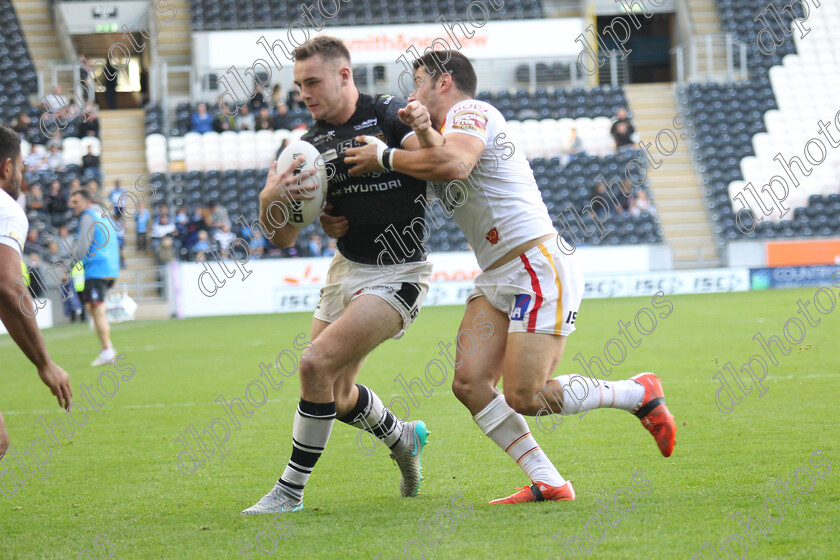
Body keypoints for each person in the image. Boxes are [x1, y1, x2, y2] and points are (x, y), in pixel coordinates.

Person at [343, 50, 676, 504]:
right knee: (469, 383)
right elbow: (421, 163)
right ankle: (549, 481)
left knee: (526, 394)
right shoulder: (436, 135)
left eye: (419, 80)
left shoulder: (472, 110)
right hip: (498, 274)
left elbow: (454, 165)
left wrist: (385, 154)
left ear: (444, 83)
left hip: (537, 264)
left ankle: (636, 392)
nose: (412, 90)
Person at [243, 36, 433, 516]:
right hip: (346, 268)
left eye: (313, 82)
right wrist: (271, 198)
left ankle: (289, 492)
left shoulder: (388, 115)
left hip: (399, 271)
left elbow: (436, 163)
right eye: (298, 84)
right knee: (337, 392)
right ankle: (402, 436)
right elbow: (281, 239)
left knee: (312, 365)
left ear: (344, 75)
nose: (304, 93)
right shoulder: (308, 148)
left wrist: (385, 156)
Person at [0, 123, 73, 461]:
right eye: (22, 166)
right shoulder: (5, 207)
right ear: (8, 167)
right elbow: (8, 283)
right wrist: (45, 363)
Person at [68, 188, 121, 366]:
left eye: (76, 202)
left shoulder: (88, 216)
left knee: (97, 311)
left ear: (86, 201)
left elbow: (82, 247)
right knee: (94, 308)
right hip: (109, 268)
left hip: (96, 269)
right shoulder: (104, 215)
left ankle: (107, 350)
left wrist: (68, 262)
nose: (73, 205)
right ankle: (106, 346)